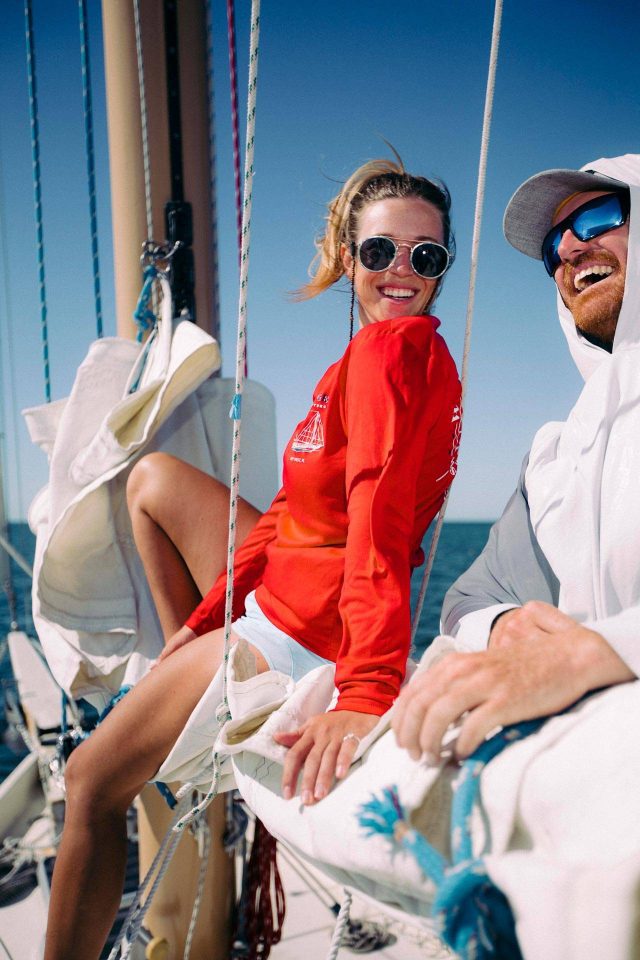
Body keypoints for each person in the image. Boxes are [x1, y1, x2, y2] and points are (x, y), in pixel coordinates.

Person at [44, 157, 462, 959]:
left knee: (91, 784)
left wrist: (368, 688)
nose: (402, 271)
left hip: (304, 626)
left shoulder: (392, 354)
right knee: (154, 481)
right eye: (381, 253)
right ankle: (191, 669)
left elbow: (376, 512)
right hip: (293, 584)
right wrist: (200, 623)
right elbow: (287, 513)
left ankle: (202, 696)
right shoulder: (373, 357)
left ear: (441, 269)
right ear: (350, 256)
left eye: (426, 256)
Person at [392, 154, 640, 956]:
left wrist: (597, 651)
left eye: (600, 218)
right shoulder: (555, 454)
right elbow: (467, 600)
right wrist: (510, 631)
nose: (570, 249)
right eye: (554, 244)